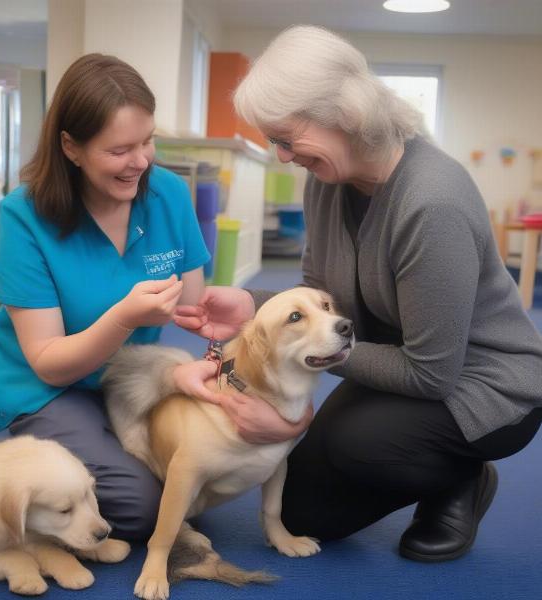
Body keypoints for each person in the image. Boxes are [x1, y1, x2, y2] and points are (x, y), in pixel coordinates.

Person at [174, 25, 542, 562]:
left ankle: (459, 479)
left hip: (480, 383)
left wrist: (300, 358)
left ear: (343, 116)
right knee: (302, 515)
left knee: (356, 444)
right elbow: (319, 291)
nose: (281, 156)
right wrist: (254, 310)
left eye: (285, 138)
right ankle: (429, 458)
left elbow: (431, 373)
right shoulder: (326, 178)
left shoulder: (430, 204)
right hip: (390, 357)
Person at [0, 53, 223, 541]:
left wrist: (229, 320)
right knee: (143, 510)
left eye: (148, 140)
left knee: (199, 481)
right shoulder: (23, 216)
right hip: (48, 386)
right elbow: (50, 363)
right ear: (71, 147)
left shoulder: (169, 193)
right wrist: (125, 318)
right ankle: (16, 465)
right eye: (119, 150)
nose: (141, 161)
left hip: (127, 378)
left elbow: (194, 305)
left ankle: (82, 448)